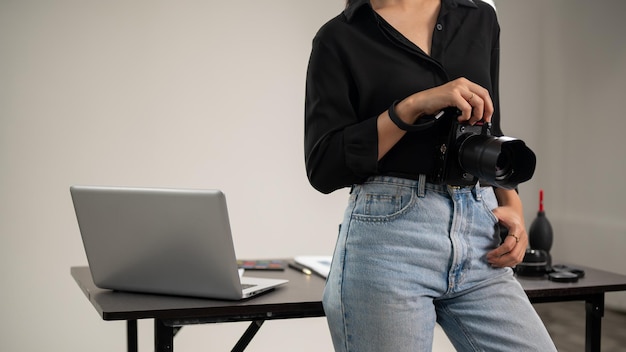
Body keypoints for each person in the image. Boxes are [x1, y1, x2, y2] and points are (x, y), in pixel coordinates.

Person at [304, 0, 557, 351]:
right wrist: (412, 107)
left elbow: (488, 125)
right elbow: (323, 165)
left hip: (479, 237)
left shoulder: (480, 17)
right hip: (388, 244)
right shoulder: (339, 37)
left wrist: (511, 204)